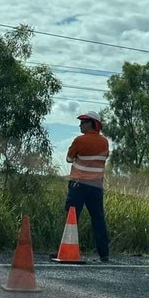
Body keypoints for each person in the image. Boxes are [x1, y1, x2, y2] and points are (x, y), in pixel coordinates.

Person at [65, 111, 110, 262]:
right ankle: (104, 253)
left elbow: (69, 158)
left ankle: (67, 249)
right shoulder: (105, 142)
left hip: (79, 185)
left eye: (83, 122)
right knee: (98, 219)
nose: (80, 125)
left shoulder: (79, 140)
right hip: (96, 186)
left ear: (92, 124)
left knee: (72, 217)